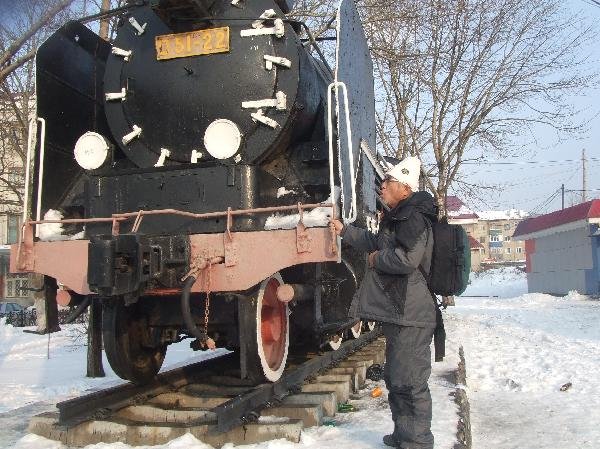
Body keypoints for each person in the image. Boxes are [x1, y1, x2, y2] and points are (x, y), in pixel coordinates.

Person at [330, 156, 438, 449]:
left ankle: (417, 441)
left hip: (412, 314)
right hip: (399, 312)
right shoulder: (399, 216)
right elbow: (374, 241)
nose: (382, 187)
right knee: (397, 377)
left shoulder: (414, 218)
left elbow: (407, 259)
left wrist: (376, 259)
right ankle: (404, 434)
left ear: (404, 187)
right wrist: (344, 231)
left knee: (411, 381)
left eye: (387, 182)